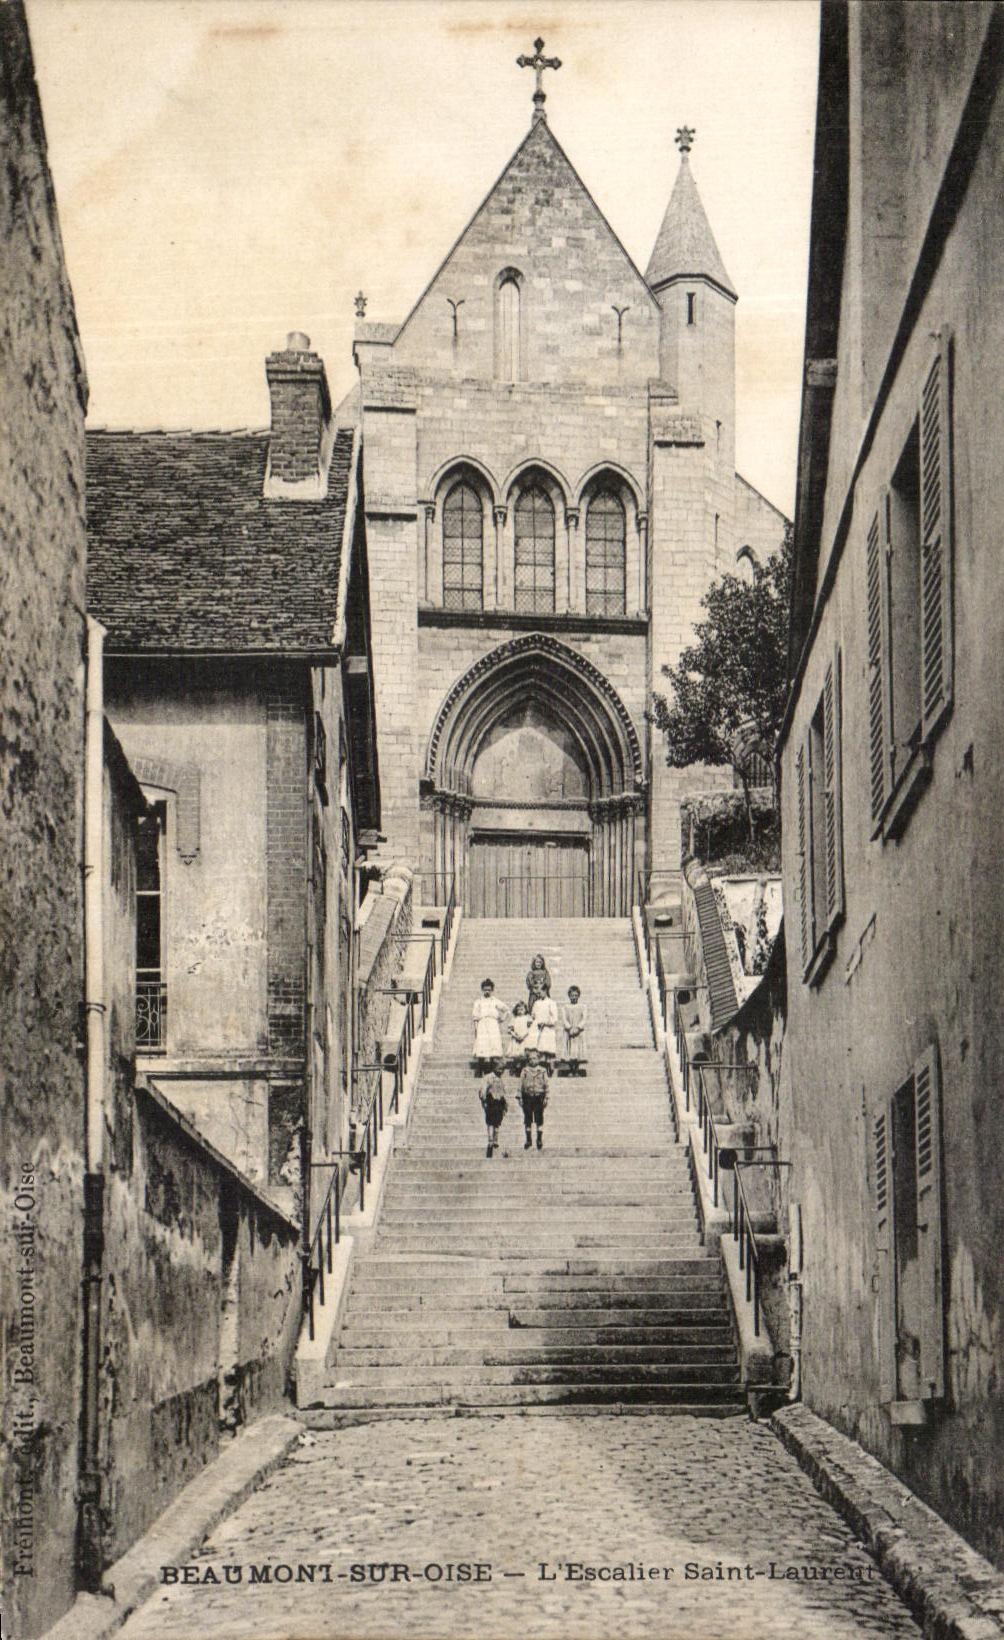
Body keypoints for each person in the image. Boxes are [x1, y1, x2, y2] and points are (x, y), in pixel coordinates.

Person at [471, 979, 509, 1073]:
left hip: (493, 1024)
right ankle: (480, 1068)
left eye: (489, 989)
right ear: (482, 990)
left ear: (492, 990)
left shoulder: (495, 1001)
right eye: (485, 989)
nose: (487, 991)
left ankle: (492, 1067)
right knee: (482, 1044)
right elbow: (475, 1016)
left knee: (493, 1043)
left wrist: (502, 1019)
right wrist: (476, 1028)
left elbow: (506, 1009)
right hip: (482, 1024)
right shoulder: (478, 1001)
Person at [518, 1047, 549, 1151]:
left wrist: (546, 1097)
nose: (533, 1060)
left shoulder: (543, 1070)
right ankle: (528, 1139)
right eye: (530, 1058)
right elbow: (520, 1085)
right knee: (528, 1119)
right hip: (528, 1097)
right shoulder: (525, 1071)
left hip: (539, 1097)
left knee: (539, 1119)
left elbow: (546, 1085)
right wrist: (520, 1097)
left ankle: (539, 1139)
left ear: (539, 1059)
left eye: (535, 1058)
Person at [479, 1058, 508, 1158]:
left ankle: (495, 1139)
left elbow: (503, 1093)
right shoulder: (488, 1078)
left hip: (499, 1102)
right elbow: (483, 1089)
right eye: (499, 1068)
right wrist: (483, 1100)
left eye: (502, 1069)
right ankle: (490, 1140)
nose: (501, 1071)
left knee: (497, 1123)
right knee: (490, 1122)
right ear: (494, 1068)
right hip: (491, 1101)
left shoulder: (500, 1080)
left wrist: (505, 1105)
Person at [561, 985, 589, 1076]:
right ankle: (570, 1069)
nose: (574, 997)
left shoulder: (583, 1006)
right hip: (568, 1031)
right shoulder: (565, 1007)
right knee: (569, 1050)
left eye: (576, 995)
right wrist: (569, 1028)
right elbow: (564, 1019)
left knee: (577, 1050)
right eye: (572, 995)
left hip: (578, 1032)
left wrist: (578, 1028)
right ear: (569, 996)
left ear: (578, 996)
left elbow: (584, 1019)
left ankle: (576, 1069)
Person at [530, 989, 559, 1073]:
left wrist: (545, 1023)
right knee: (540, 1049)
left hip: (548, 1029)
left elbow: (554, 1018)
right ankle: (542, 1069)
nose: (539, 994)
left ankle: (550, 1068)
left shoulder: (551, 1003)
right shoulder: (536, 1003)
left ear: (545, 991)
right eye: (537, 993)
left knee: (548, 1050)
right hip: (538, 1029)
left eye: (540, 992)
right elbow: (533, 1015)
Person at [507, 1000, 537, 1071]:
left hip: (524, 1038)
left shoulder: (527, 1018)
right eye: (518, 1010)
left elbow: (530, 1028)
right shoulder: (514, 1019)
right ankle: (516, 1069)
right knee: (516, 1055)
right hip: (516, 1039)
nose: (520, 1011)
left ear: (525, 1010)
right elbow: (510, 1030)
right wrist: (515, 1036)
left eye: (522, 1009)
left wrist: (523, 1036)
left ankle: (524, 1069)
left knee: (524, 1054)